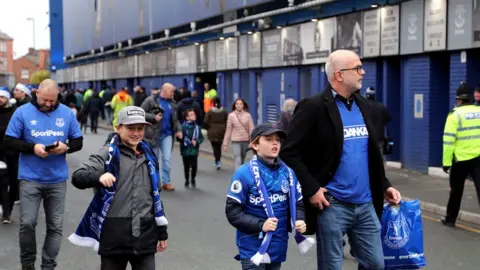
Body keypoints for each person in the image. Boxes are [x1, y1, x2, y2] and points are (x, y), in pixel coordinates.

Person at [279, 50, 402, 269]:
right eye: (357, 68)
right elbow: (288, 151)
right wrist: (312, 188)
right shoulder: (314, 107)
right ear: (339, 75)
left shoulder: (365, 107)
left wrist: (385, 186)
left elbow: (370, 155)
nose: (363, 72)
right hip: (332, 204)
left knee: (376, 264)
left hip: (365, 204)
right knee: (331, 266)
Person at [69, 106, 168, 270]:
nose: (136, 133)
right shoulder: (107, 153)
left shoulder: (149, 155)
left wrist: (162, 232)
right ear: (118, 128)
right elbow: (78, 176)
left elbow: (155, 195)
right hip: (114, 236)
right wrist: (98, 177)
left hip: (145, 235)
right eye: (130, 128)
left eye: (140, 128)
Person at [4, 79, 83, 270]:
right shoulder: (22, 112)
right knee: (28, 223)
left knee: (55, 227)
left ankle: (48, 265)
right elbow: (9, 142)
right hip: (30, 178)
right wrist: (33, 148)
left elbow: (78, 141)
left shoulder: (65, 113)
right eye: (45, 100)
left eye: (52, 101)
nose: (48, 104)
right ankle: (28, 264)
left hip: (57, 179)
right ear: (37, 93)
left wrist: (67, 147)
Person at [225, 123, 313, 270]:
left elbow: (298, 204)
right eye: (268, 139)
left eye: (277, 140)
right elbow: (232, 212)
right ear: (255, 145)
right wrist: (261, 225)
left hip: (277, 245)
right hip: (252, 248)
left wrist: (299, 220)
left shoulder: (289, 173)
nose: (275, 143)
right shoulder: (243, 173)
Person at [442, 82, 480, 227]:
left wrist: (446, 163)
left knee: (456, 191)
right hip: (478, 158)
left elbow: (448, 141)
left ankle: (450, 219)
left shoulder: (454, 115)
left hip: (460, 160)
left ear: (458, 99)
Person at [141, 83, 182, 191]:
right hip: (153, 135)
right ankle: (154, 183)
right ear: (165, 90)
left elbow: (175, 119)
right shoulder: (151, 100)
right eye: (171, 91)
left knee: (167, 159)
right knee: (154, 160)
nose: (173, 94)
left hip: (167, 135)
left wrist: (179, 130)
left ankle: (166, 182)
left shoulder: (172, 103)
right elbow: (140, 113)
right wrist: (154, 117)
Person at [223, 98, 254, 170]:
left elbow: (251, 129)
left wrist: (252, 141)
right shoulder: (231, 115)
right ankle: (238, 175)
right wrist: (225, 144)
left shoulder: (248, 115)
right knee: (237, 158)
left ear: (243, 105)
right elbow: (228, 130)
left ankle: (241, 172)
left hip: (245, 140)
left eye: (241, 104)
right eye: (237, 104)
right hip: (235, 140)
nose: (239, 105)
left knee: (242, 158)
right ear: (235, 105)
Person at [0, 87, 16, 224]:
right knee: (3, 185)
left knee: (12, 185)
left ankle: (7, 210)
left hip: (10, 155)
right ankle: (5, 213)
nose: (0, 99)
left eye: (2, 97)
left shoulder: (13, 114)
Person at [178, 109, 204, 187]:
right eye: (191, 115)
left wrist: (197, 142)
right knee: (186, 166)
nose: (194, 116)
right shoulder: (182, 127)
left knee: (194, 166)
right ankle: (186, 179)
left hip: (194, 150)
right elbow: (178, 139)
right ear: (187, 117)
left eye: (194, 114)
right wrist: (179, 137)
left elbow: (201, 138)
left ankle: (193, 178)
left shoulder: (197, 128)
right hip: (185, 150)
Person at [204, 97, 228, 170]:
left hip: (212, 132)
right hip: (222, 132)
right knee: (219, 147)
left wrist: (208, 128)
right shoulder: (224, 111)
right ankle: (218, 161)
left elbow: (206, 122)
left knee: (214, 148)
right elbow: (227, 121)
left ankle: (217, 161)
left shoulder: (210, 112)